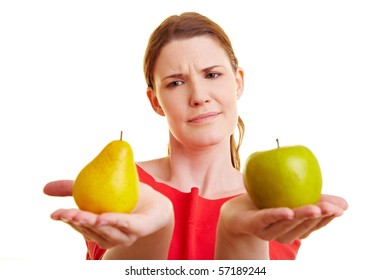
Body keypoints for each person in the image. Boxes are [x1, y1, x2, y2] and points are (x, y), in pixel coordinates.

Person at [43, 12, 348, 260]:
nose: (199, 96)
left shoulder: (272, 205)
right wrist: (155, 225)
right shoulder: (122, 185)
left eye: (212, 75)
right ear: (154, 101)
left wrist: (235, 230)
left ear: (238, 83)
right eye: (176, 83)